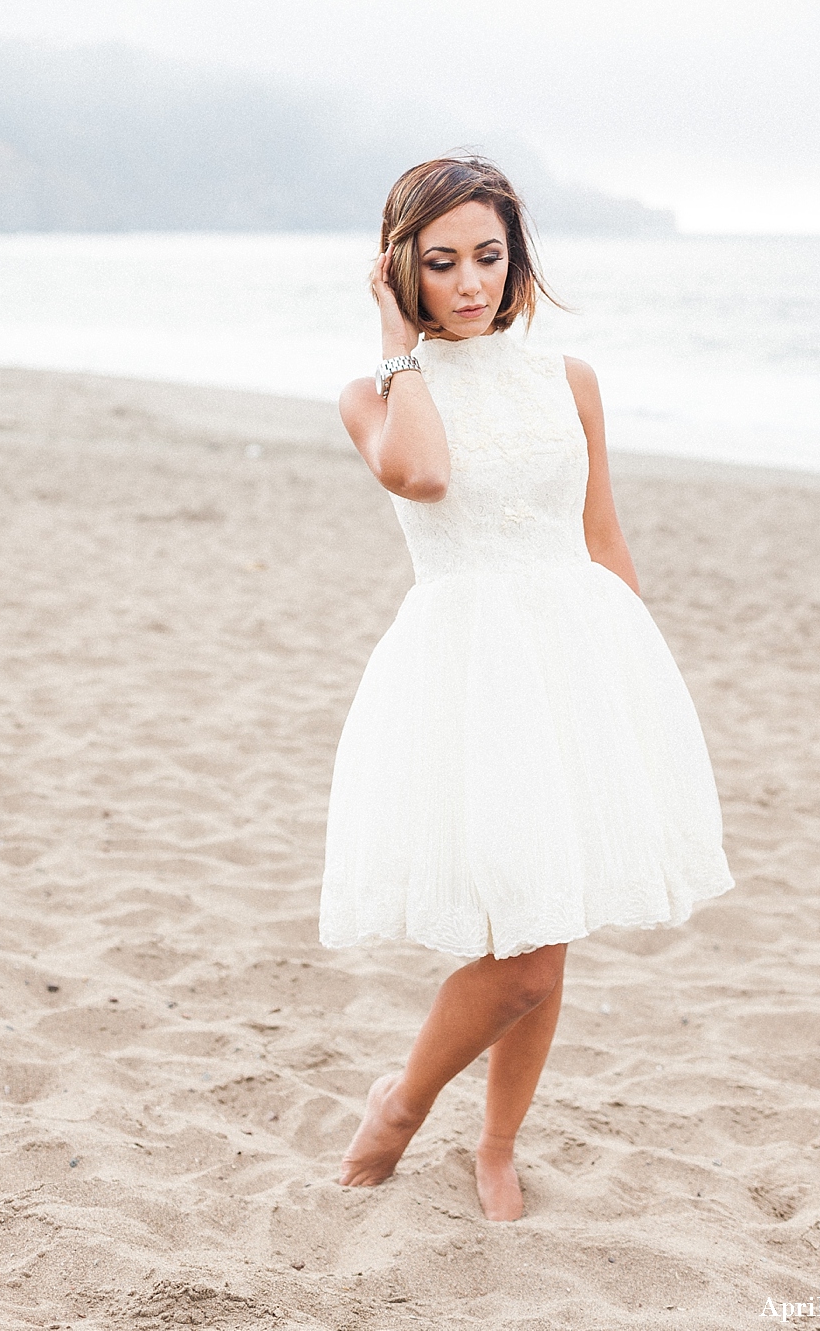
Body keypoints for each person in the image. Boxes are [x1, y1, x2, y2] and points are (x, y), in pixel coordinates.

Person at [319, 156, 733, 1221]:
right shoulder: (372, 394)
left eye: (488, 257)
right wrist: (392, 343)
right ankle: (402, 1104)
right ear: (398, 267)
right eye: (440, 260)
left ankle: (495, 1144)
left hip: (577, 661)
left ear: (517, 259)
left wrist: (638, 691)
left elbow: (602, 537)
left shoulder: (571, 378)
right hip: (466, 673)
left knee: (545, 935)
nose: (469, 283)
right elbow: (422, 475)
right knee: (521, 958)